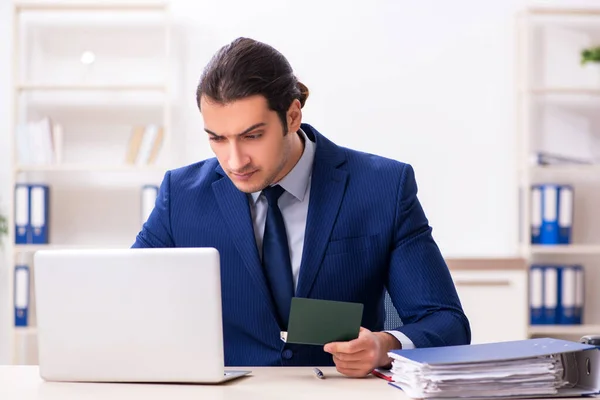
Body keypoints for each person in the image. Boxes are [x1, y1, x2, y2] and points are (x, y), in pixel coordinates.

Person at [132, 37, 471, 377]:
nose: (234, 161)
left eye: (252, 136)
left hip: (339, 392)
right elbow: (126, 299)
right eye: (217, 138)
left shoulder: (382, 188)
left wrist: (385, 345)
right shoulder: (182, 195)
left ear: (292, 116)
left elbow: (447, 322)